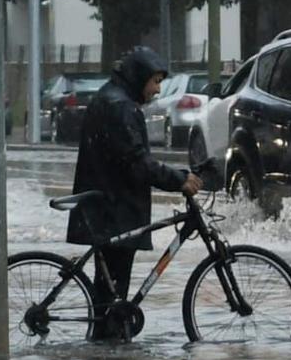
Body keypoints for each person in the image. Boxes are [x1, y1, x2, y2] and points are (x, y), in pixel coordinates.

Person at [67, 45, 201, 338]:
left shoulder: (111, 98)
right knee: (112, 290)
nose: (157, 90)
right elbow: (138, 163)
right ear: (138, 77)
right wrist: (179, 179)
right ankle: (112, 355)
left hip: (107, 206)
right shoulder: (122, 108)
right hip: (114, 209)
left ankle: (108, 348)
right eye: (154, 81)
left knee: (109, 293)